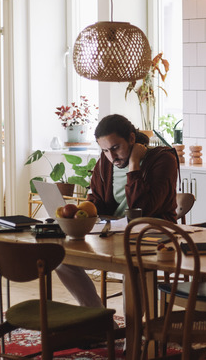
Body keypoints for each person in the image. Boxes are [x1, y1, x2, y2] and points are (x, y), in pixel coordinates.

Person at [56, 114, 179, 307]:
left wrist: (134, 166)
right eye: (105, 150)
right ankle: (99, 317)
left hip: (152, 235)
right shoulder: (105, 163)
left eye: (115, 148)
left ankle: (134, 332)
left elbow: (142, 209)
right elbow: (95, 201)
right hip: (114, 234)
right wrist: (76, 217)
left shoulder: (163, 159)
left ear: (131, 138)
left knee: (131, 265)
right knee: (62, 258)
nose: (112, 157)